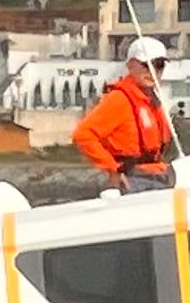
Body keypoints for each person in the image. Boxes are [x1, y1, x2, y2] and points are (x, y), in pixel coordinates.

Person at [71, 36, 179, 192]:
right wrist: (113, 169)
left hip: (158, 175)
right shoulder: (119, 100)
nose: (152, 71)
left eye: (158, 65)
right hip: (133, 179)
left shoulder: (152, 100)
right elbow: (83, 135)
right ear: (130, 65)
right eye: (145, 65)